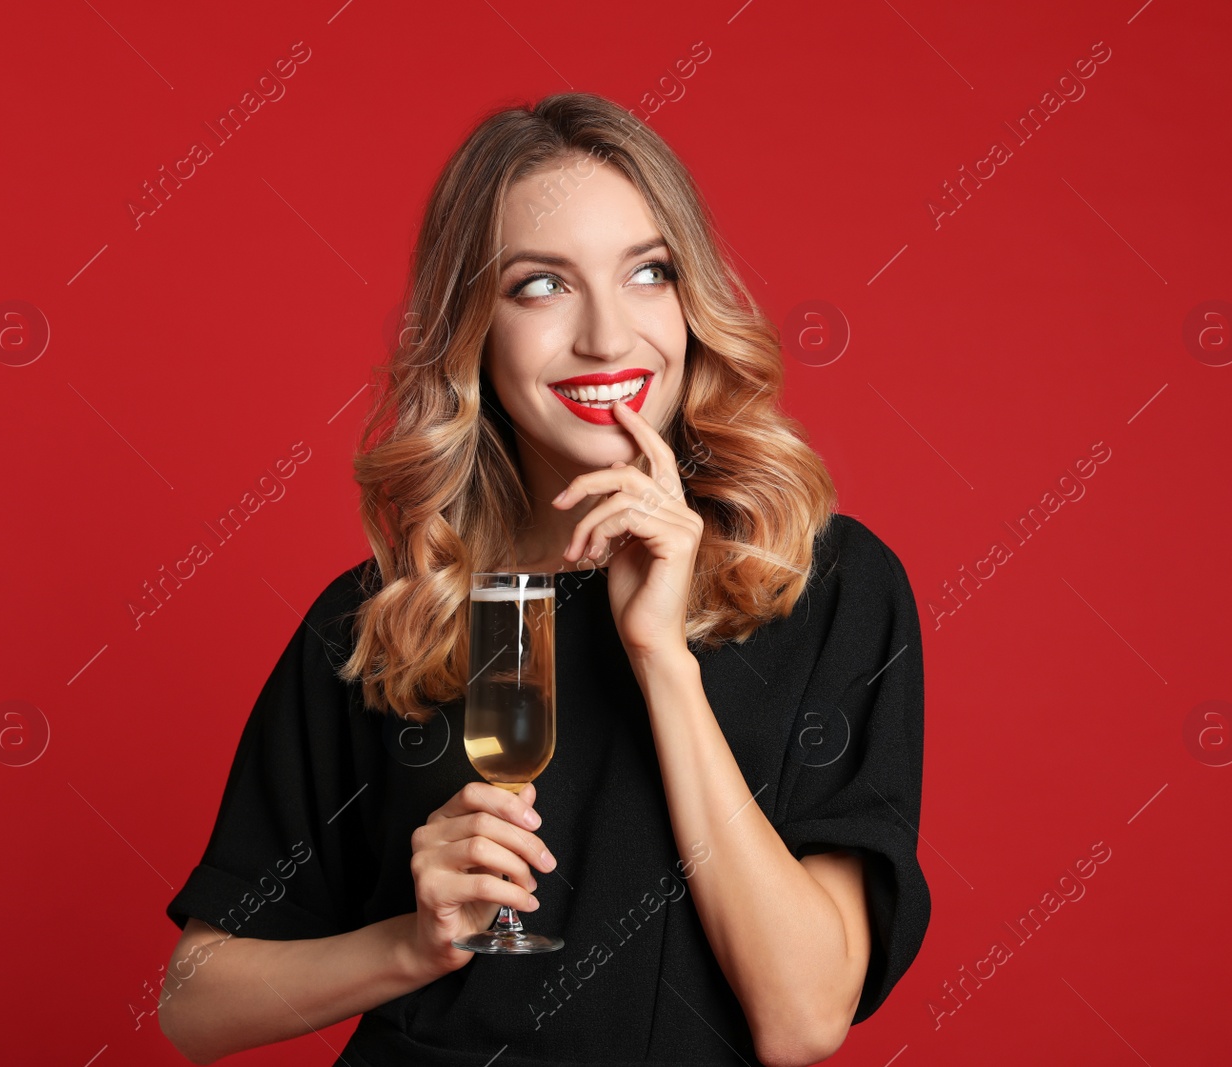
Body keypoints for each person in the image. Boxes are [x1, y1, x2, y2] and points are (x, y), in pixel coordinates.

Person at [157, 91, 930, 1066]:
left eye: (648, 272)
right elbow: (194, 1001)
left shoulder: (818, 587)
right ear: (469, 327)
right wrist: (413, 940)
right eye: (539, 286)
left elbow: (803, 1018)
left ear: (691, 300)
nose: (609, 338)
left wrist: (659, 657)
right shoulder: (388, 614)